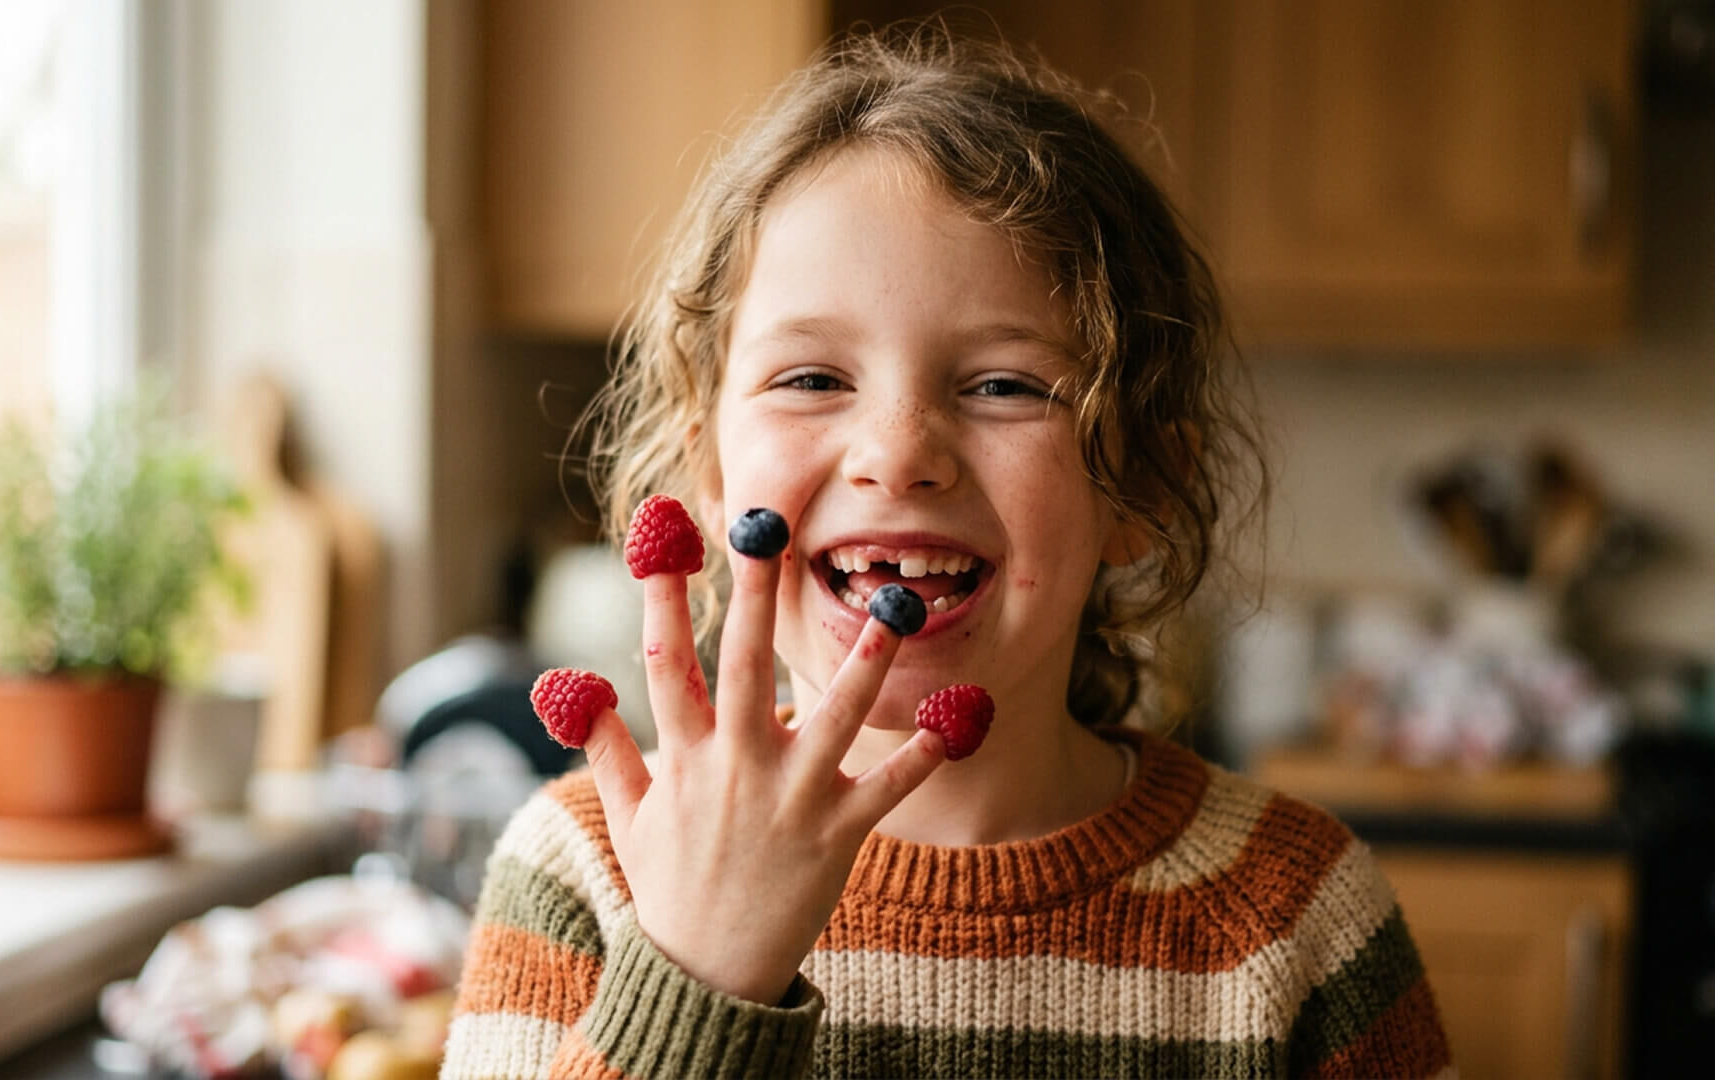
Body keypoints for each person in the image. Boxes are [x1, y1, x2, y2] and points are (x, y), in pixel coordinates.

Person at [442, 26, 1452, 1080]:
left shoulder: (1294, 917)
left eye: (1004, 386)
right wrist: (699, 971)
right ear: (709, 473)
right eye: (811, 379)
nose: (896, 455)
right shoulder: (583, 876)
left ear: (1139, 485)